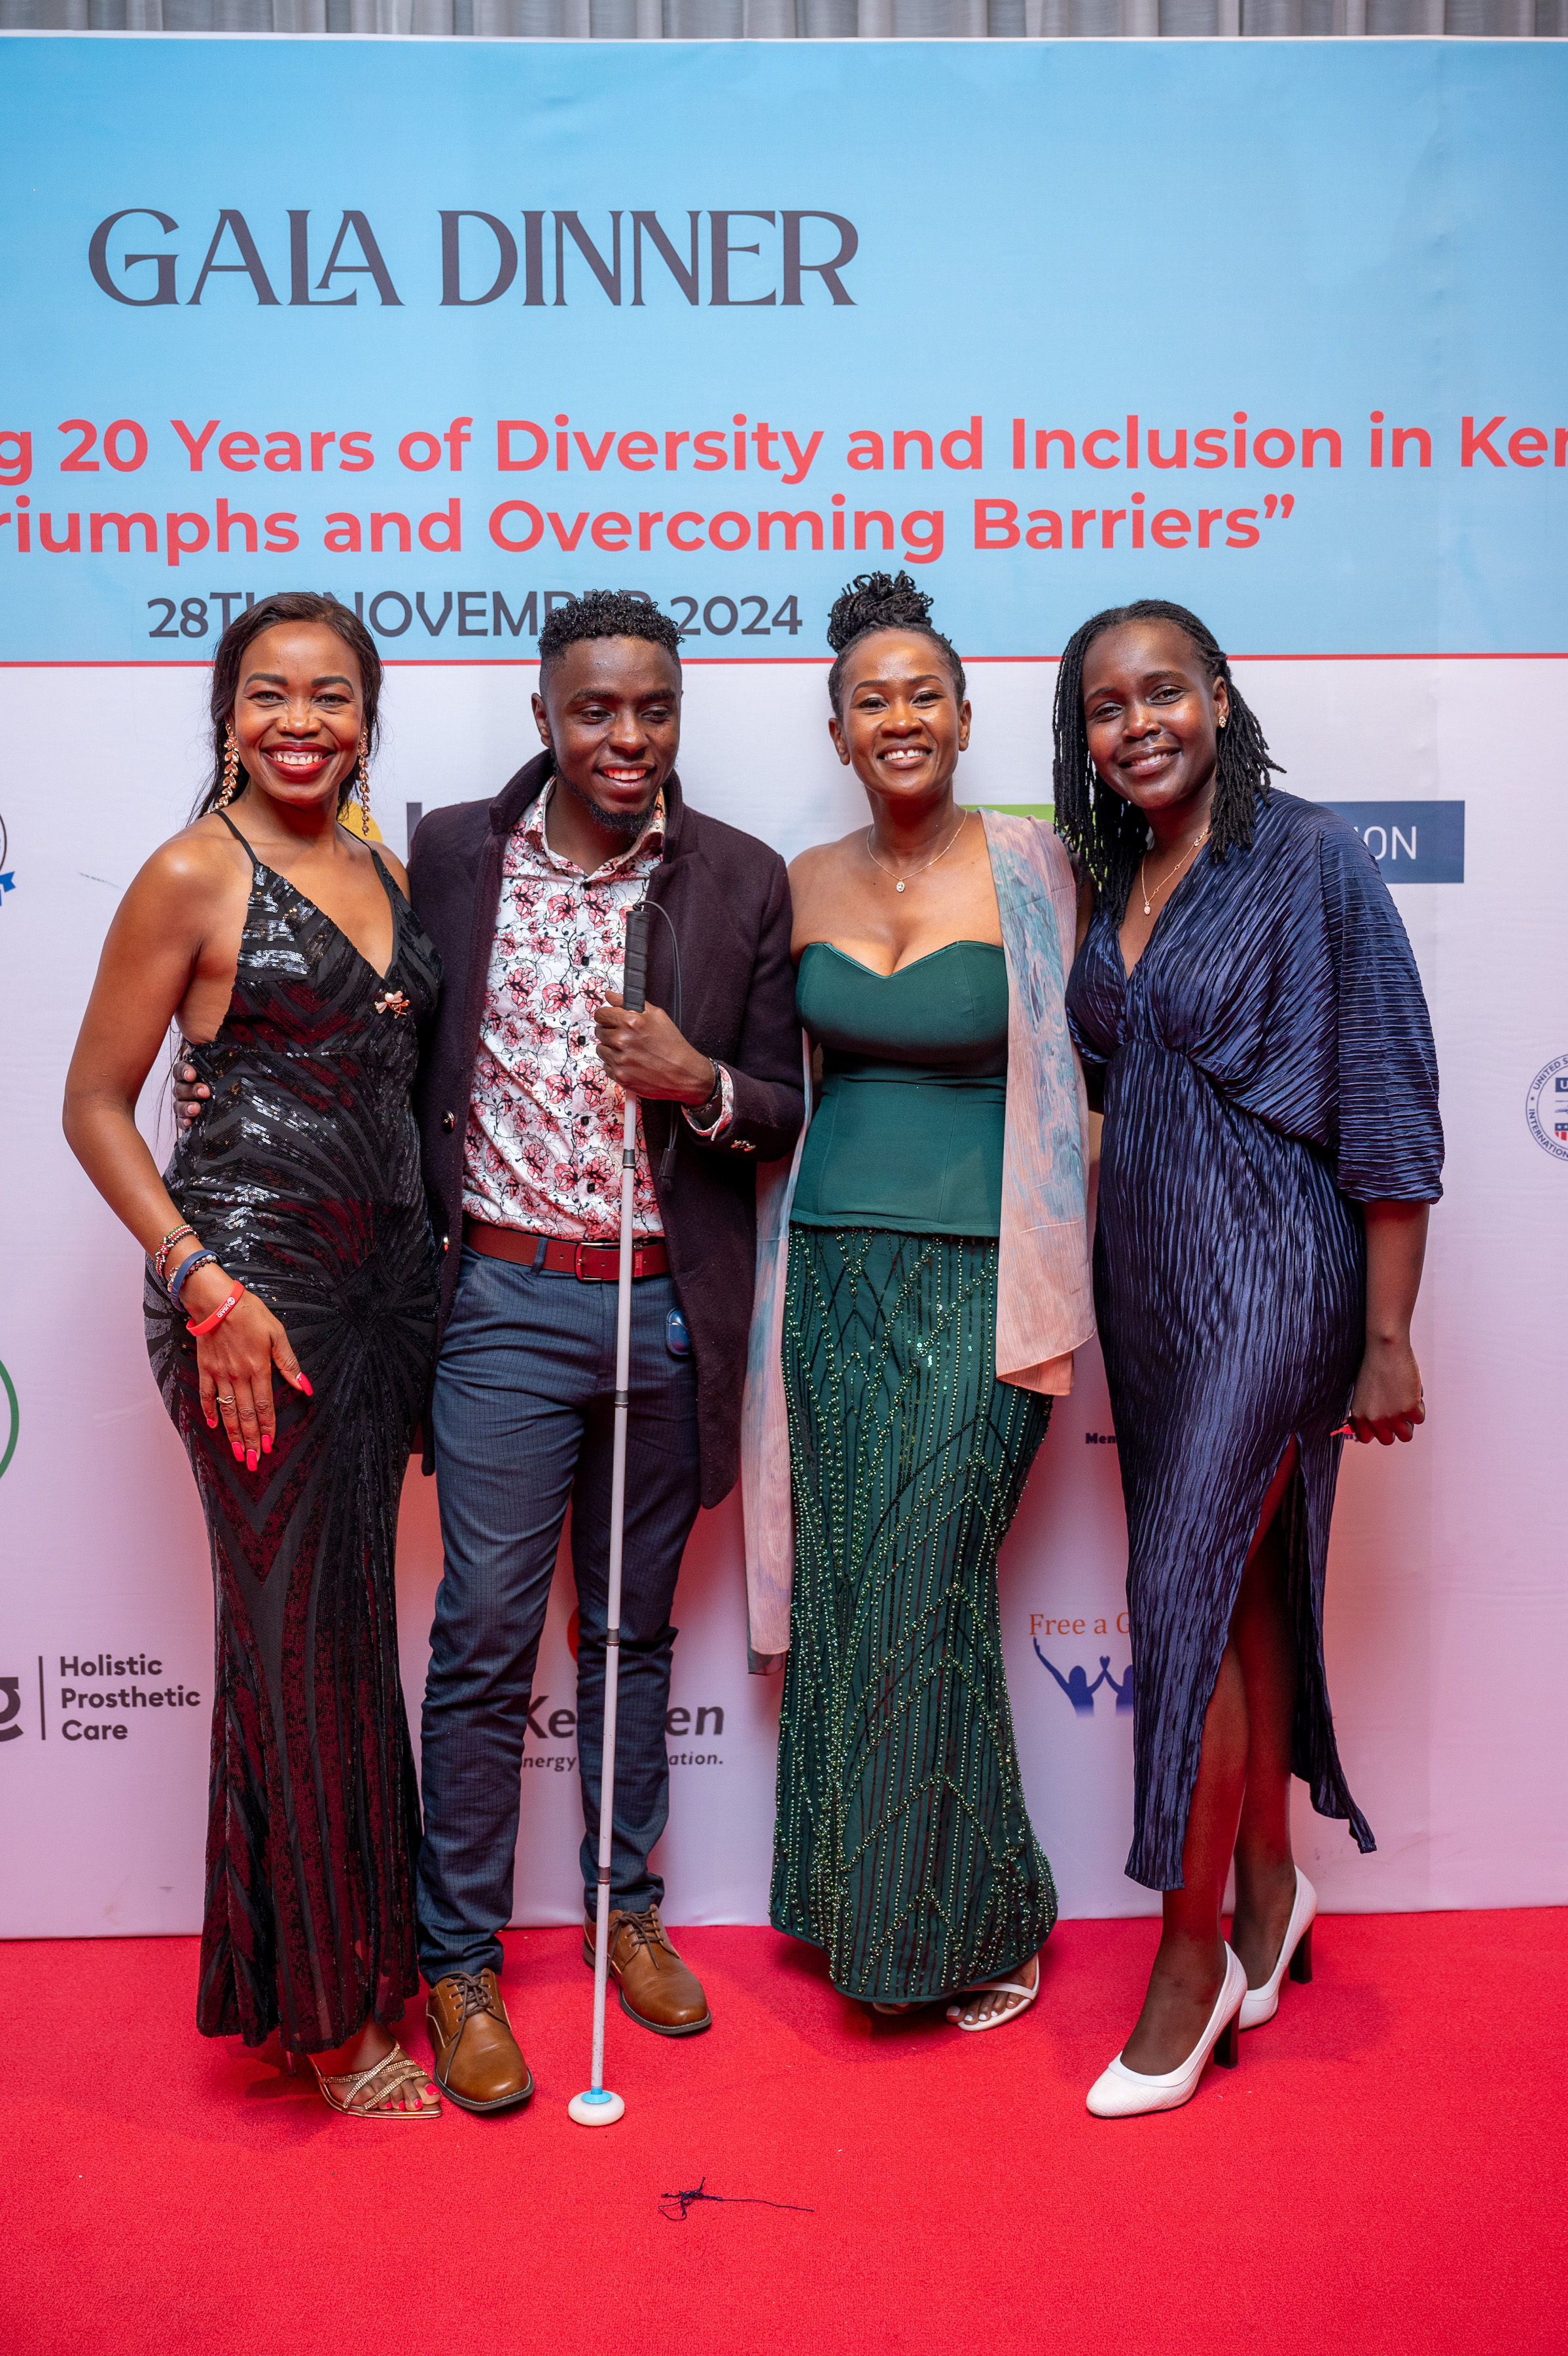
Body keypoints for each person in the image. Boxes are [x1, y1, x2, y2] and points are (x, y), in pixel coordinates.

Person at [403, 592, 802, 2109]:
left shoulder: (740, 877)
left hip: (663, 1311)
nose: (627, 738)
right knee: (485, 1636)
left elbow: (783, 1110)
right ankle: (458, 1962)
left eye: (653, 709)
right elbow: (389, 1049)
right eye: (595, 711)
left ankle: (624, 1911)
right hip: (503, 1302)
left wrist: (698, 1081)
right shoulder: (455, 854)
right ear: (544, 718)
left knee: (631, 1638)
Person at [1056, 598, 1441, 2120]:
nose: (1136, 724)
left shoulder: (1311, 858)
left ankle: (1189, 1955)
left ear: (1218, 697)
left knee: (1181, 1603)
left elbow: (1389, 1096)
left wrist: (1388, 1335)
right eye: (1105, 707)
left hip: (1277, 1276)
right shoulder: (1120, 872)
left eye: (1162, 691)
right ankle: (1273, 1889)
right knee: (1243, 1588)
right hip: (1150, 1289)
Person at [64, 592, 444, 2120]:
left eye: (331, 694)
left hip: (383, 1306)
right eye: (271, 693)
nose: (302, 720)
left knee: (330, 1635)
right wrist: (203, 1287)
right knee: (300, 1638)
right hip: (250, 1307)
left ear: (366, 717)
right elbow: (95, 1104)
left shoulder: (388, 871)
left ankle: (304, 1985)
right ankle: (336, 2023)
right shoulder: (191, 871)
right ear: (227, 712)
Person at [747, 573, 1094, 2030]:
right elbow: (761, 1081)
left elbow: (1120, 1031)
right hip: (830, 1274)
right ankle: (857, 1904)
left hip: (986, 1277)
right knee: (850, 1588)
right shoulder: (797, 880)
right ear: (839, 731)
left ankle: (991, 1913)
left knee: (925, 1577)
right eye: (870, 699)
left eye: (923, 694)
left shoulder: (1039, 863)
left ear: (963, 716)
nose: (899, 717)